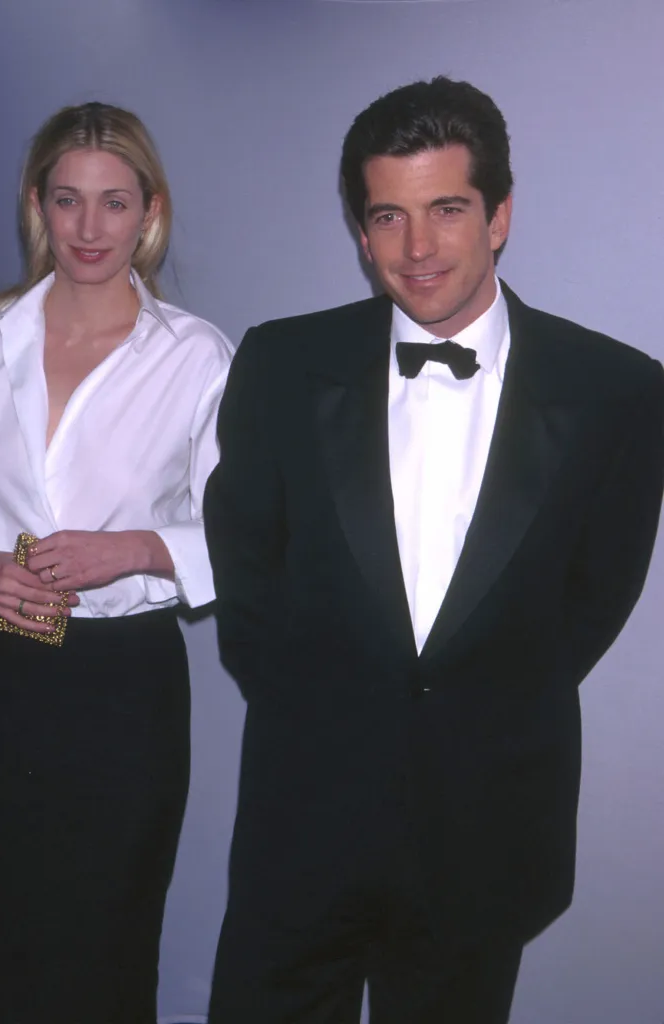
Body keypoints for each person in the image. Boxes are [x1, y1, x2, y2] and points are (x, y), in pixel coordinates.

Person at [203, 76, 664, 1024]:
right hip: (303, 822)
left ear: (499, 215)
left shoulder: (618, 391)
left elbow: (593, 600)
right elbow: (245, 576)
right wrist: (316, 710)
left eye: (447, 210)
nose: (416, 250)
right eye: (388, 217)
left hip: (485, 829)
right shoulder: (281, 363)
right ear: (361, 230)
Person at [0, 101, 232, 1024]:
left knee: (100, 940)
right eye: (67, 201)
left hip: (122, 688)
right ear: (36, 206)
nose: (90, 229)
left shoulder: (197, 358)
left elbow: (242, 534)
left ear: (150, 211)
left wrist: (132, 549)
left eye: (114, 202)